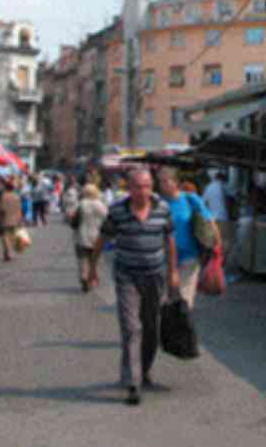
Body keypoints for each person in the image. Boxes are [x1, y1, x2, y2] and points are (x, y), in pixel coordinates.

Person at [89, 168, 179, 406]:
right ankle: (133, 382)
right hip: (127, 276)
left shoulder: (163, 209)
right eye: (138, 187)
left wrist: (173, 273)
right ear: (129, 188)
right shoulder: (117, 211)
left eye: (147, 186)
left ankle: (144, 370)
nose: (143, 191)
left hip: (155, 276)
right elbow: (102, 239)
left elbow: (169, 242)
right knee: (131, 328)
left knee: (151, 329)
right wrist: (92, 268)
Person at [157, 167, 215, 309]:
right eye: (160, 181)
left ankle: (181, 328)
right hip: (163, 258)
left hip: (189, 257)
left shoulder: (191, 199)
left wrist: (215, 246)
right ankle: (164, 328)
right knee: (162, 300)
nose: (162, 185)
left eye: (166, 181)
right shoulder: (156, 203)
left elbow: (209, 222)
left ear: (176, 182)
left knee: (184, 301)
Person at [73, 184, 108, 292]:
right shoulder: (102, 205)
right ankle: (92, 278)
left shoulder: (81, 204)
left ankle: (84, 277)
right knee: (95, 259)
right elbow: (107, 222)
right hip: (97, 237)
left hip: (82, 236)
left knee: (82, 259)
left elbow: (75, 222)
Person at [202, 171, 234, 255]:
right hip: (223, 218)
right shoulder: (224, 186)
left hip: (212, 219)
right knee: (224, 242)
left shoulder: (208, 187)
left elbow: (203, 203)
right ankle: (221, 261)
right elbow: (232, 198)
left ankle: (212, 260)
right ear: (223, 179)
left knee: (212, 243)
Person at [0, 179, 23, 262]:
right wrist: (20, 220)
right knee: (12, 236)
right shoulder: (16, 196)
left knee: (5, 236)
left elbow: (1, 208)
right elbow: (19, 209)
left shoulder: (3, 196)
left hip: (5, 219)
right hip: (15, 219)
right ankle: (11, 252)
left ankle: (7, 252)